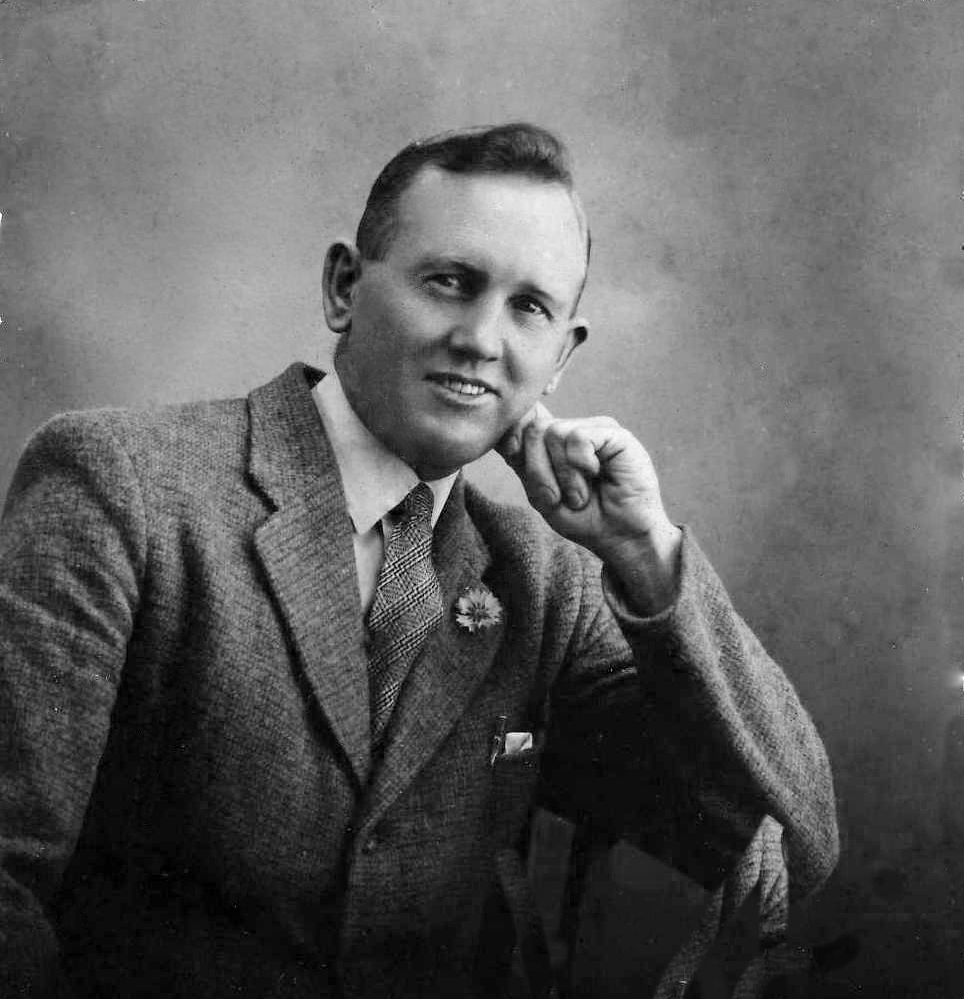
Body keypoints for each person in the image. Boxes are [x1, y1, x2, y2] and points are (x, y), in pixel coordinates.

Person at [0, 123, 838, 999]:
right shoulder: (126, 486)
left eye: (530, 308)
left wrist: (646, 550)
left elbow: (788, 843)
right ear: (343, 287)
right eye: (451, 282)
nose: (481, 338)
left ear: (560, 358)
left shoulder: (544, 586)